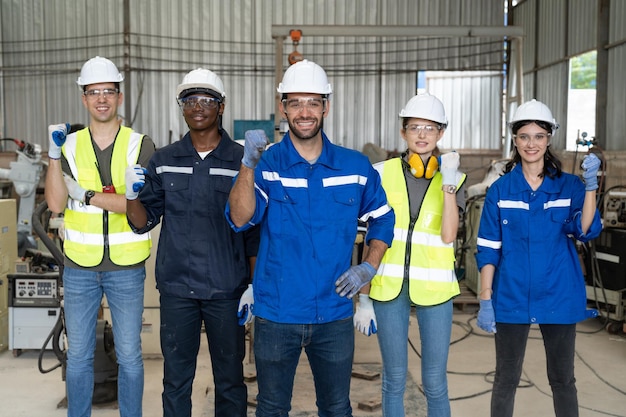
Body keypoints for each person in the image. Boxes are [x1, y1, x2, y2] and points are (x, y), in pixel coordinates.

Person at [225, 59, 395, 416]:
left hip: (333, 311)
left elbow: (382, 218)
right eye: (295, 102)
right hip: (277, 313)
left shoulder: (354, 167)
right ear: (283, 107)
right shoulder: (267, 165)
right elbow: (240, 218)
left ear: (326, 107)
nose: (304, 111)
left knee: (335, 407)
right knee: (271, 408)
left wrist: (369, 267)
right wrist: (247, 165)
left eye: (313, 102)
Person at [125, 68, 259, 417]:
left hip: (226, 288)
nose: (197, 107)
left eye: (206, 100)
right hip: (177, 288)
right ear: (181, 107)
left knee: (230, 380)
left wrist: (253, 286)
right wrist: (129, 196)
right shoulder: (165, 160)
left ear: (221, 106)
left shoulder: (240, 161)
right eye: (189, 100)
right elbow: (142, 223)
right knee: (176, 380)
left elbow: (254, 231)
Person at [475, 99, 602, 417]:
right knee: (505, 379)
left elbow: (584, 229)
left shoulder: (570, 186)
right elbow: (489, 247)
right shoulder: (501, 191)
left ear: (549, 139)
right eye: (524, 136)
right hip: (511, 294)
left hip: (558, 293)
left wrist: (590, 188)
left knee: (562, 380)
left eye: (539, 136)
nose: (531, 144)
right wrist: (486, 297)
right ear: (515, 140)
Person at [45, 56, 156, 417]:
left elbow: (139, 206)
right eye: (94, 92)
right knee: (77, 355)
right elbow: (56, 204)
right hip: (79, 266)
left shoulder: (140, 144)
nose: (102, 99)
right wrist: (51, 156)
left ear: (119, 97)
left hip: (126, 267)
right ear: (84, 98)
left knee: (129, 354)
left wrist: (89, 194)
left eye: (109, 91)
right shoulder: (69, 145)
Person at [354, 93, 467, 417]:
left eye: (429, 128)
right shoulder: (381, 173)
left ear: (441, 133)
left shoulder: (455, 178)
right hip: (388, 288)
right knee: (393, 380)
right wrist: (364, 299)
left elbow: (448, 235)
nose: (421, 135)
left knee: (434, 382)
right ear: (403, 131)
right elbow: (367, 238)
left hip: (436, 291)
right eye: (415, 127)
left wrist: (447, 184)